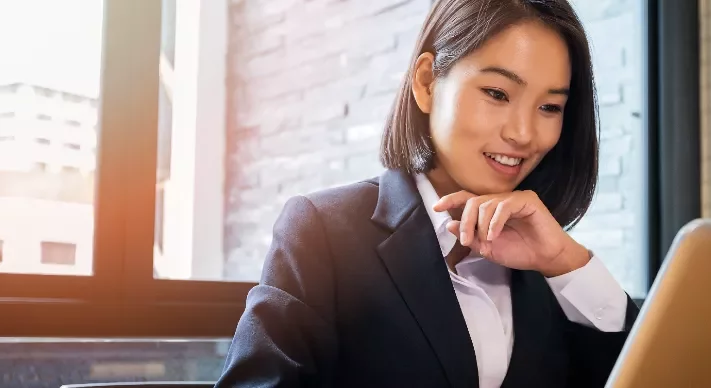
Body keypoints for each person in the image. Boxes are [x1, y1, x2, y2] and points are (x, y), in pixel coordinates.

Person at [215, 0, 639, 386]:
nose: (524, 134)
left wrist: (565, 262)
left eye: (550, 107)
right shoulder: (323, 233)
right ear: (426, 83)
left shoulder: (554, 270)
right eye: (497, 93)